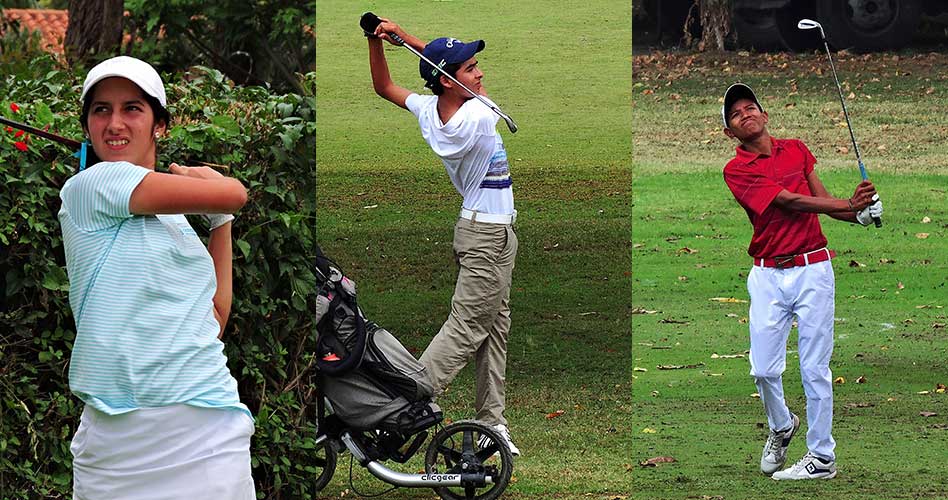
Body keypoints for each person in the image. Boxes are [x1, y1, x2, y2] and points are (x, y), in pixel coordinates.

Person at [60, 56, 255, 499]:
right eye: (101, 110)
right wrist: (207, 184)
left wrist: (219, 222)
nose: (114, 123)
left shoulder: (175, 225)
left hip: (207, 432)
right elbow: (237, 191)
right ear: (88, 126)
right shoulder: (90, 187)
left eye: (132, 108)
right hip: (116, 445)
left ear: (158, 125)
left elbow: (216, 318)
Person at [365, 17, 520, 455]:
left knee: (494, 328)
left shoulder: (431, 111)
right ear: (452, 81)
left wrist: (378, 41)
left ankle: (492, 421)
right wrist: (408, 40)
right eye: (471, 67)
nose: (480, 73)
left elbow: (384, 87)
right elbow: (459, 81)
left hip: (486, 233)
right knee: (469, 328)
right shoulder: (477, 115)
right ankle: (401, 405)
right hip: (488, 238)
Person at [721, 83, 883, 480]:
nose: (746, 114)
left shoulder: (796, 149)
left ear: (765, 114)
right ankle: (782, 424)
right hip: (767, 275)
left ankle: (821, 458)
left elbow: (824, 204)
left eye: (751, 107)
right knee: (762, 369)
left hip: (814, 270)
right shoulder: (737, 170)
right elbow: (788, 202)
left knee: (815, 367)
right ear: (730, 133)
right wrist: (849, 204)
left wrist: (860, 212)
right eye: (736, 114)